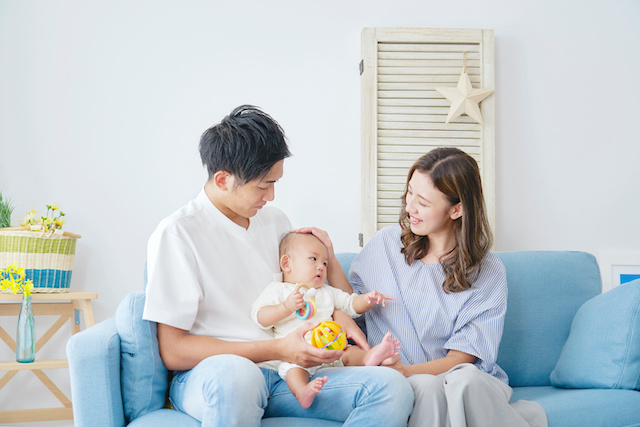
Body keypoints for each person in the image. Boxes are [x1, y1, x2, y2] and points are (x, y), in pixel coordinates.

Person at [142, 105, 413, 426]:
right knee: (238, 376)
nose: (271, 195)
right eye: (262, 185)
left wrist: (334, 309)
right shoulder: (178, 233)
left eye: (275, 182)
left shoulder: (275, 222)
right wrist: (278, 348)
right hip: (214, 374)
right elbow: (173, 350)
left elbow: (314, 293)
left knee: (391, 387)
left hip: (287, 374)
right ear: (223, 179)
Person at [346, 148, 548, 427]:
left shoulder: (487, 271)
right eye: (409, 193)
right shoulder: (385, 245)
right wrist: (328, 258)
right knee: (426, 388)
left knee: (461, 380)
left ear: (457, 209)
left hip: (464, 383)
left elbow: (461, 359)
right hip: (405, 382)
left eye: (423, 202)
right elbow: (346, 310)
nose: (409, 208)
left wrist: (406, 372)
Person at [251, 232, 401, 409]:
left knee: (349, 352)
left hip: (333, 350)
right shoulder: (279, 290)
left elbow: (350, 304)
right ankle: (302, 391)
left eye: (324, 263)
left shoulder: (326, 291)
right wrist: (286, 307)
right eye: (313, 259)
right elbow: (260, 317)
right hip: (299, 353)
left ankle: (369, 357)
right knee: (292, 369)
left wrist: (368, 299)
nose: (321, 267)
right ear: (286, 263)